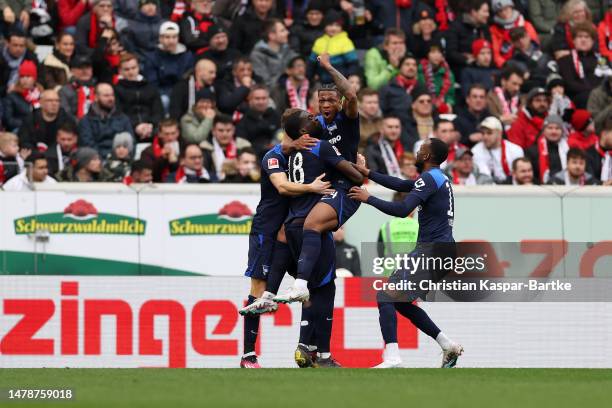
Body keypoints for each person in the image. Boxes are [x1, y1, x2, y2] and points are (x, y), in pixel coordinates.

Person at [347, 138, 464, 368]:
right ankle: (448, 345)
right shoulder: (439, 178)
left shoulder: (430, 179)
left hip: (432, 251)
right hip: (444, 250)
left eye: (421, 149)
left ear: (428, 157)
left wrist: (368, 198)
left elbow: (402, 210)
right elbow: (400, 185)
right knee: (398, 301)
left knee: (385, 296)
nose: (417, 151)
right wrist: (368, 172)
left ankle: (392, 358)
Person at [237, 112, 336, 368]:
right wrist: (312, 188)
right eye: (306, 123)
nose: (311, 125)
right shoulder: (274, 156)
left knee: (307, 285)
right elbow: (282, 187)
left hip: (292, 229)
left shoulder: (302, 153)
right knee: (258, 290)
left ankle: (306, 348)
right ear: (296, 130)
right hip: (267, 230)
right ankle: (248, 355)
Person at [272, 108, 363, 368]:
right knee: (323, 288)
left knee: (315, 287)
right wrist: (359, 168)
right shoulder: (320, 147)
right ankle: (318, 352)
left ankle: (309, 348)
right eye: (309, 118)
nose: (315, 116)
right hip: (311, 227)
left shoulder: (287, 152)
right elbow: (356, 176)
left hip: (291, 226)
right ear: (303, 131)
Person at [274, 53, 363, 304]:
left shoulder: (348, 118)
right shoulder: (319, 124)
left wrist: (327, 67)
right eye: (321, 99)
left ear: (339, 102)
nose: (325, 104)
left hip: (348, 186)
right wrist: (292, 145)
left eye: (331, 99)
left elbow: (353, 95)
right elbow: (288, 136)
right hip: (327, 188)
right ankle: (278, 292)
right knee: (288, 230)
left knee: (311, 225)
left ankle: (299, 283)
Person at [372, 191, 419, 368]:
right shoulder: (417, 226)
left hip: (392, 273)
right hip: (414, 274)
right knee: (405, 307)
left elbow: (379, 254)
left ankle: (392, 355)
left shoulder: (386, 227)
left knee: (387, 301)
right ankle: (446, 343)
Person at [142, 21, 194, 109]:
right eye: (167, 37)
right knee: (164, 100)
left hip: (182, 93)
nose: (171, 41)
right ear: (160, 39)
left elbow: (188, 80)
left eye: (174, 37)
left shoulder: (187, 56)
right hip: (162, 93)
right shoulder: (152, 57)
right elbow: (152, 84)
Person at [557, 22, 610, 108]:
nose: (583, 40)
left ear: (593, 41)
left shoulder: (602, 59)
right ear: (573, 40)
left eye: (587, 37)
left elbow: (606, 79)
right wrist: (592, 91)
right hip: (579, 98)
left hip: (602, 96)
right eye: (580, 37)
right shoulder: (565, 60)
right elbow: (570, 84)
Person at [114, 53, 163, 144]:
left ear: (138, 68)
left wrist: (150, 125)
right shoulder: (116, 90)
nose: (131, 72)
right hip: (128, 128)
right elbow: (119, 113)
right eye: (127, 69)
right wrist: (136, 126)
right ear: (120, 71)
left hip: (151, 127)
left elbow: (158, 111)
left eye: (133, 68)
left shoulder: (150, 87)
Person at [78, 83, 134, 157]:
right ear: (96, 97)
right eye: (106, 96)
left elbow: (131, 142)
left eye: (112, 95)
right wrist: (108, 157)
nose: (111, 99)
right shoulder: (86, 121)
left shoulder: (123, 118)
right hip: (97, 161)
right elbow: (88, 145)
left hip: (122, 159)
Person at [308, 10, 358, 83]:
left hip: (340, 80)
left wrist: (348, 77)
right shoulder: (319, 41)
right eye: (330, 25)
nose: (333, 28)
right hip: (321, 79)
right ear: (325, 26)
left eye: (337, 25)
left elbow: (353, 63)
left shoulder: (346, 41)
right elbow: (312, 63)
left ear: (342, 27)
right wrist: (311, 77)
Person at [378, 55, 418, 146]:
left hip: (416, 128)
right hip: (395, 128)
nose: (411, 67)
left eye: (414, 65)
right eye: (407, 64)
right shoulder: (388, 88)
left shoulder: (421, 87)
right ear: (400, 68)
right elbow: (381, 109)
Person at [472, 116, 524, 183]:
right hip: (488, 189)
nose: (485, 137)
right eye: (483, 133)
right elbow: (484, 177)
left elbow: (519, 175)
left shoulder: (515, 150)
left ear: (499, 133)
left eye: (489, 133)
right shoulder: (476, 151)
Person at [444, 0, 491, 74]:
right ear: (473, 12)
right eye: (484, 11)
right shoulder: (456, 27)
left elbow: (490, 48)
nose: (487, 14)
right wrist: (467, 59)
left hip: (483, 68)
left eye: (488, 11)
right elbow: (451, 53)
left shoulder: (484, 28)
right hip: (462, 69)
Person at [489, 0, 539, 68]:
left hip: (529, 61)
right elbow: (496, 55)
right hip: (508, 64)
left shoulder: (525, 24)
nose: (504, 13)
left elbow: (535, 45)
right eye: (500, 11)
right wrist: (506, 66)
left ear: (511, 7)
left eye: (506, 9)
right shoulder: (494, 30)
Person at [250, 19, 297, 91]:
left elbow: (301, 65)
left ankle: (321, 102)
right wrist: (284, 77)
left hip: (294, 89)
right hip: (274, 94)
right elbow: (265, 83)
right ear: (272, 36)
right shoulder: (257, 56)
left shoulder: (288, 50)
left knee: (318, 85)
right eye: (282, 31)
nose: (287, 32)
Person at [235, 85, 280, 159]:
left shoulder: (276, 116)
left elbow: (282, 135)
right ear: (250, 100)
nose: (261, 102)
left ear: (268, 99)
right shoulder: (243, 120)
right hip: (254, 159)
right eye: (257, 99)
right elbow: (242, 145)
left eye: (264, 98)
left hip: (277, 156)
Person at [202, 113, 251, 181]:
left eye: (228, 130)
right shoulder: (205, 148)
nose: (225, 134)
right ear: (213, 131)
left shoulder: (243, 146)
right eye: (221, 130)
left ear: (233, 130)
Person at [525, 114, 569, 183]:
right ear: (544, 130)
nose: (554, 131)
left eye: (557, 128)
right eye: (550, 128)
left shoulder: (569, 149)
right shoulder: (532, 151)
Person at [3, 60, 41, 132]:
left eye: (28, 76)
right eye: (22, 76)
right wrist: (28, 124)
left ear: (34, 78)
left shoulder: (40, 94)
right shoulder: (12, 96)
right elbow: (8, 120)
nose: (24, 79)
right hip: (19, 130)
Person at [417, 41, 455, 113]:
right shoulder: (420, 71)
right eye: (433, 52)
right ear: (427, 55)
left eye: (439, 52)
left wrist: (448, 104)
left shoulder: (448, 73)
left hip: (441, 106)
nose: (436, 55)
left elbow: (450, 95)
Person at [59, 53, 96, 121]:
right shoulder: (64, 91)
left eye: (87, 68)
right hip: (75, 127)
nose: (85, 71)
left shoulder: (100, 89)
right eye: (80, 68)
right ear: (72, 71)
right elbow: (66, 113)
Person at [0, 30, 38, 96]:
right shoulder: (1, 58)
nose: (18, 49)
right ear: (7, 43)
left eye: (21, 46)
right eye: (15, 45)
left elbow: (37, 80)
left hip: (25, 94)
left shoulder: (31, 58)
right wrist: (7, 89)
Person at [585, 119, 612, 184]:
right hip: (595, 192)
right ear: (604, 134)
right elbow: (587, 178)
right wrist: (602, 184)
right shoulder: (588, 154)